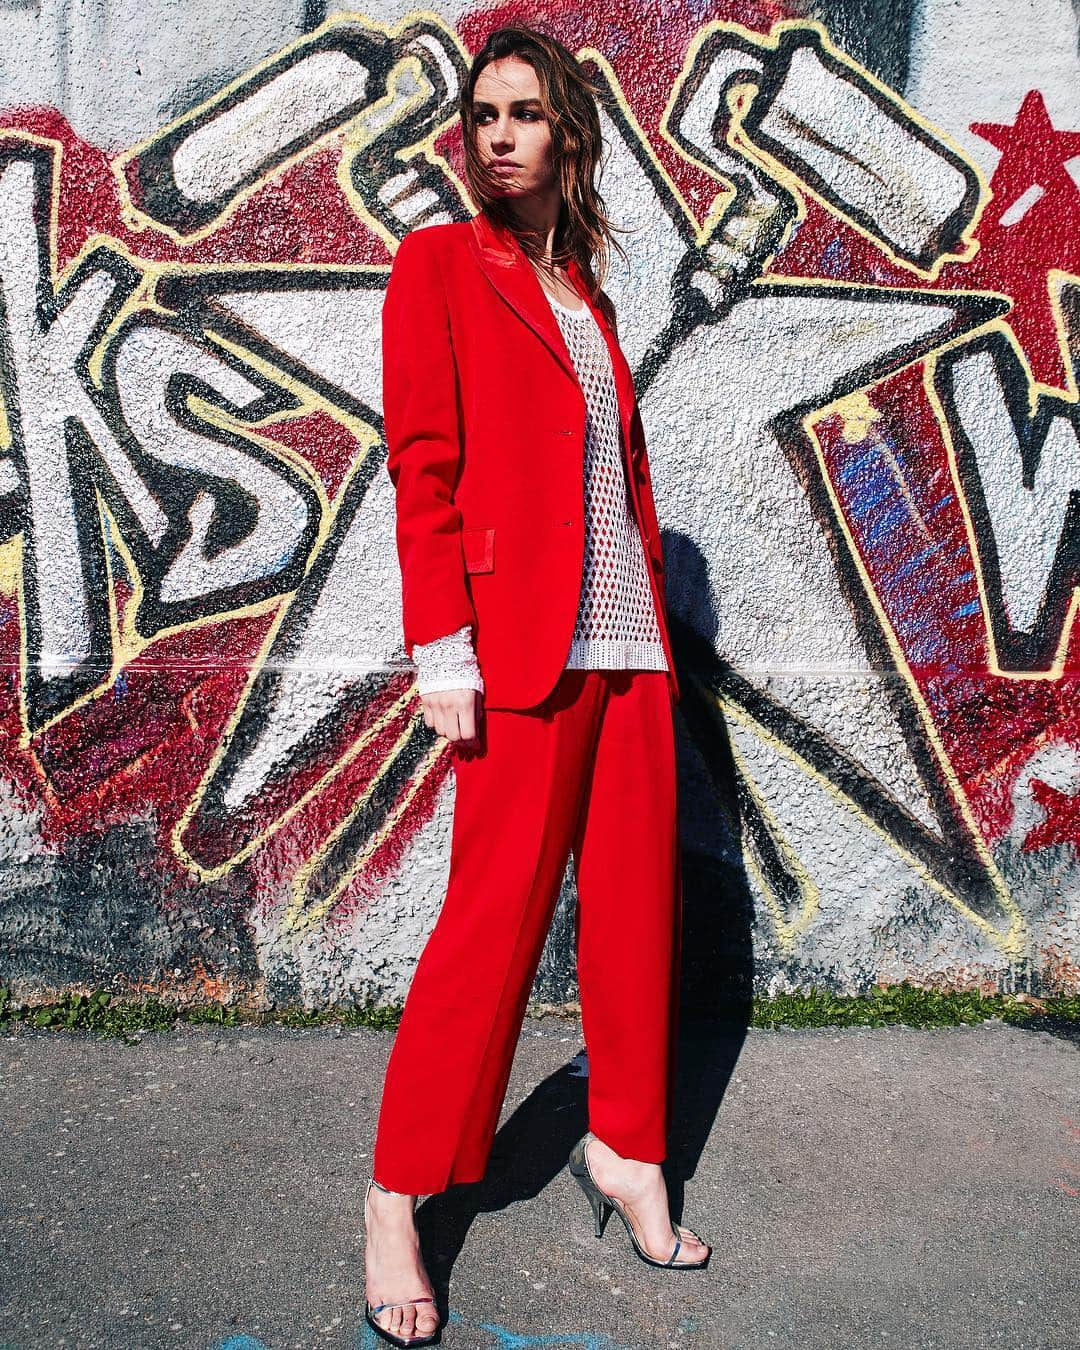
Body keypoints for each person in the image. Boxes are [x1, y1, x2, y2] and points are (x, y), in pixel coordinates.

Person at [363, 24, 710, 1347]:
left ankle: (626, 1144)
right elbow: (426, 463)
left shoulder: (591, 298)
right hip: (519, 650)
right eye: (483, 113)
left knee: (635, 918)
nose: (498, 133)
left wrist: (662, 644)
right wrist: (441, 646)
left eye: (524, 112)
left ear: (567, 131)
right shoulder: (441, 265)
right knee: (490, 927)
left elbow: (617, 485)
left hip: (628, 658)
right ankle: (398, 1190)